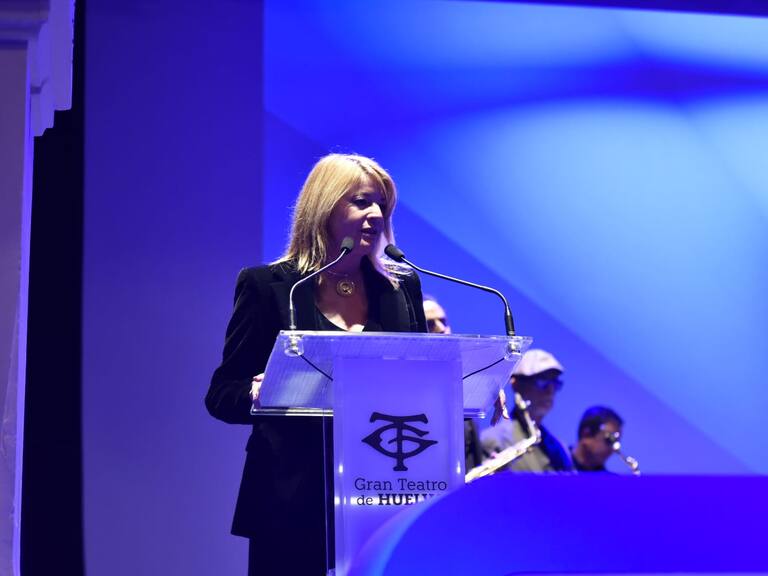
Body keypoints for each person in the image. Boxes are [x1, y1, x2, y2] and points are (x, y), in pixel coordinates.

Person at [205, 154, 427, 575]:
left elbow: (420, 378)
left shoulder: (401, 287)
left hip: (384, 492)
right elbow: (221, 394)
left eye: (382, 205)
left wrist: (458, 383)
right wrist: (258, 392)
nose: (376, 214)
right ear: (324, 206)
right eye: (361, 202)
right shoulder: (269, 287)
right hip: (290, 500)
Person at [480, 348, 573, 472]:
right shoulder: (494, 440)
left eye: (554, 383)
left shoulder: (561, 449)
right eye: (542, 381)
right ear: (516, 384)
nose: (550, 391)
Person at [421, 294, 485, 472]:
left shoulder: (461, 382)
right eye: (430, 324)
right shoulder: (407, 388)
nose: (441, 329)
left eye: (443, 321)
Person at [571, 406, 624, 472]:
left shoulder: (608, 478)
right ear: (586, 434)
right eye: (610, 440)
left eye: (616, 442)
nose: (613, 449)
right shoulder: (559, 464)